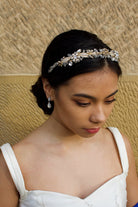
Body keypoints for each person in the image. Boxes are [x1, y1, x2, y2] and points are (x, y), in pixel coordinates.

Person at [0, 29, 138, 207]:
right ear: (49, 87)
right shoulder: (12, 164)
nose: (100, 117)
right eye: (83, 102)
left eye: (110, 100)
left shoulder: (118, 145)